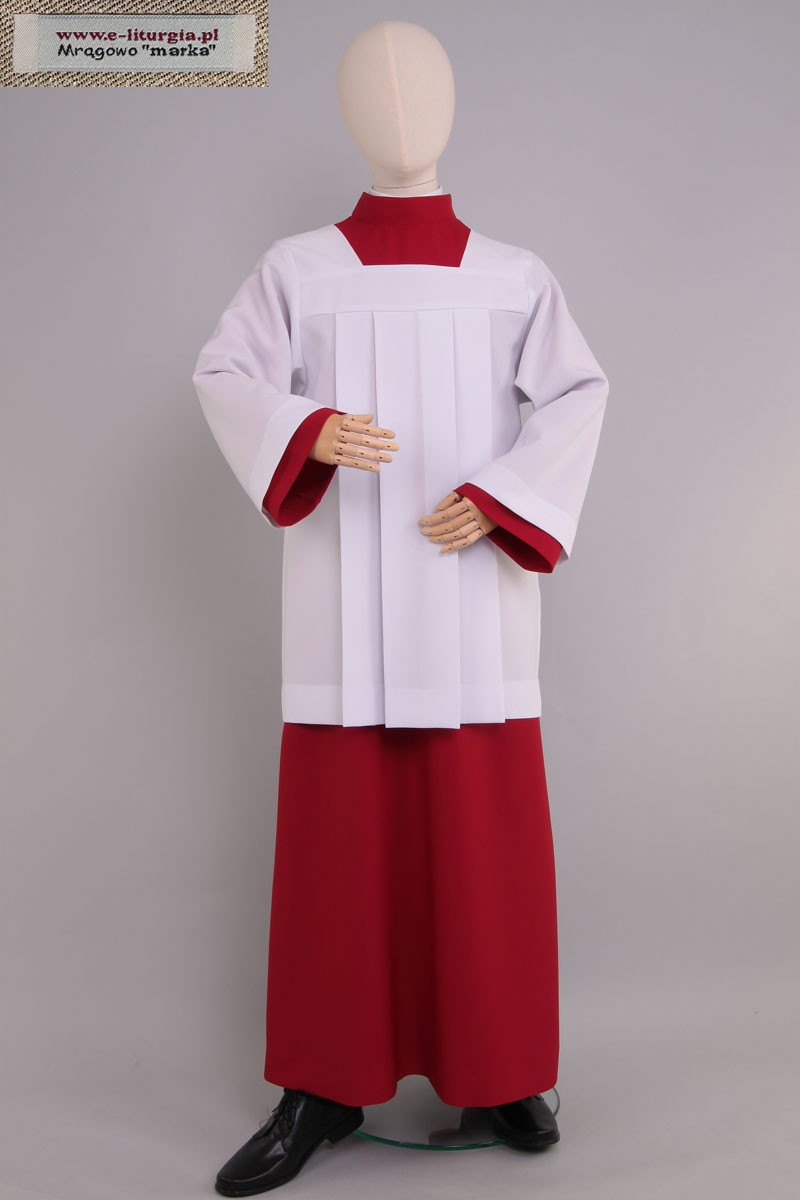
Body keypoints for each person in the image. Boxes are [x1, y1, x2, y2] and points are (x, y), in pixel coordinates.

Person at [192, 20, 609, 1197]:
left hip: (471, 600)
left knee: (481, 844)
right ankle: (321, 1082)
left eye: (420, 88)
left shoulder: (514, 277)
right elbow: (224, 375)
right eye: (373, 92)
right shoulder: (296, 271)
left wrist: (503, 496)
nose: (398, 108)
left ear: (454, 108)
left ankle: (500, 1067)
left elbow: (577, 395)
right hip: (344, 601)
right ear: (345, 115)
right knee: (341, 850)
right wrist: (308, 429)